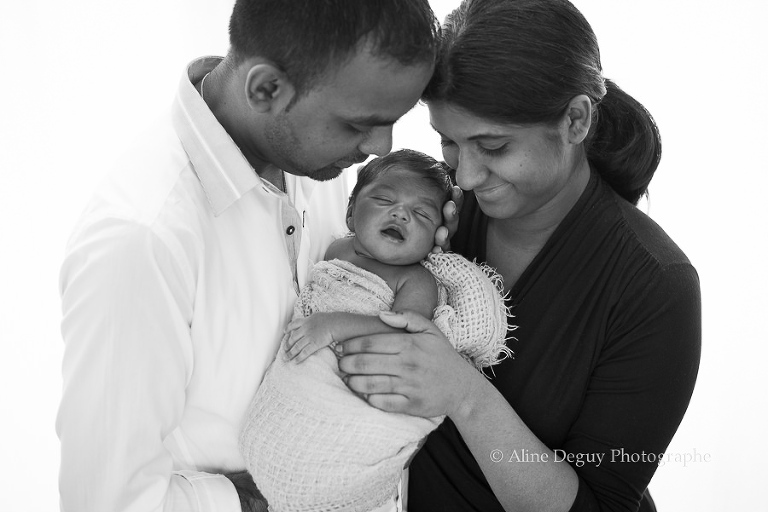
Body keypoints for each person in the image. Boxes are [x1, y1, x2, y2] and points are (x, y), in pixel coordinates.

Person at [56, 2, 451, 511]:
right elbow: (103, 501)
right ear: (266, 89)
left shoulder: (316, 162)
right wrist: (271, 500)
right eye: (360, 125)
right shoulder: (143, 239)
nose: (380, 146)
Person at [334, 1, 702, 511]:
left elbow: (599, 505)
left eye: (494, 146)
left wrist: (463, 393)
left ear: (575, 120)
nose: (465, 176)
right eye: (450, 143)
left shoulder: (655, 284)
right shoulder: (435, 222)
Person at [238, 150, 510, 512]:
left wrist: (334, 326)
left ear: (436, 237)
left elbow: (405, 337)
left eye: (422, 214)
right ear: (351, 211)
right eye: (384, 200)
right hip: (302, 381)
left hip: (360, 382)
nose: (401, 214)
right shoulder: (336, 249)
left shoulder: (415, 279)